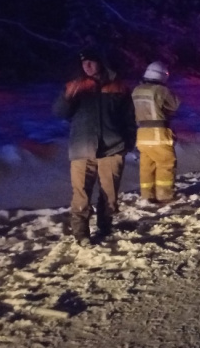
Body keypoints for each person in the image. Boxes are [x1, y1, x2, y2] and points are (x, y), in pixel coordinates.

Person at [52, 48, 136, 246]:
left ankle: (105, 227)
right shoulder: (75, 86)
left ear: (101, 62)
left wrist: (128, 143)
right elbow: (59, 113)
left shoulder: (118, 87)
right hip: (82, 148)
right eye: (83, 62)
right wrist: (67, 96)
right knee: (81, 193)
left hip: (113, 147)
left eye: (91, 61)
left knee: (109, 193)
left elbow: (129, 119)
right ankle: (81, 234)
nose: (87, 66)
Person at [132, 61, 181, 205]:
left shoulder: (136, 90)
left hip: (141, 134)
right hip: (158, 133)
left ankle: (147, 195)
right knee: (166, 163)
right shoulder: (161, 90)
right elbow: (174, 105)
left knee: (147, 166)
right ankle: (164, 195)